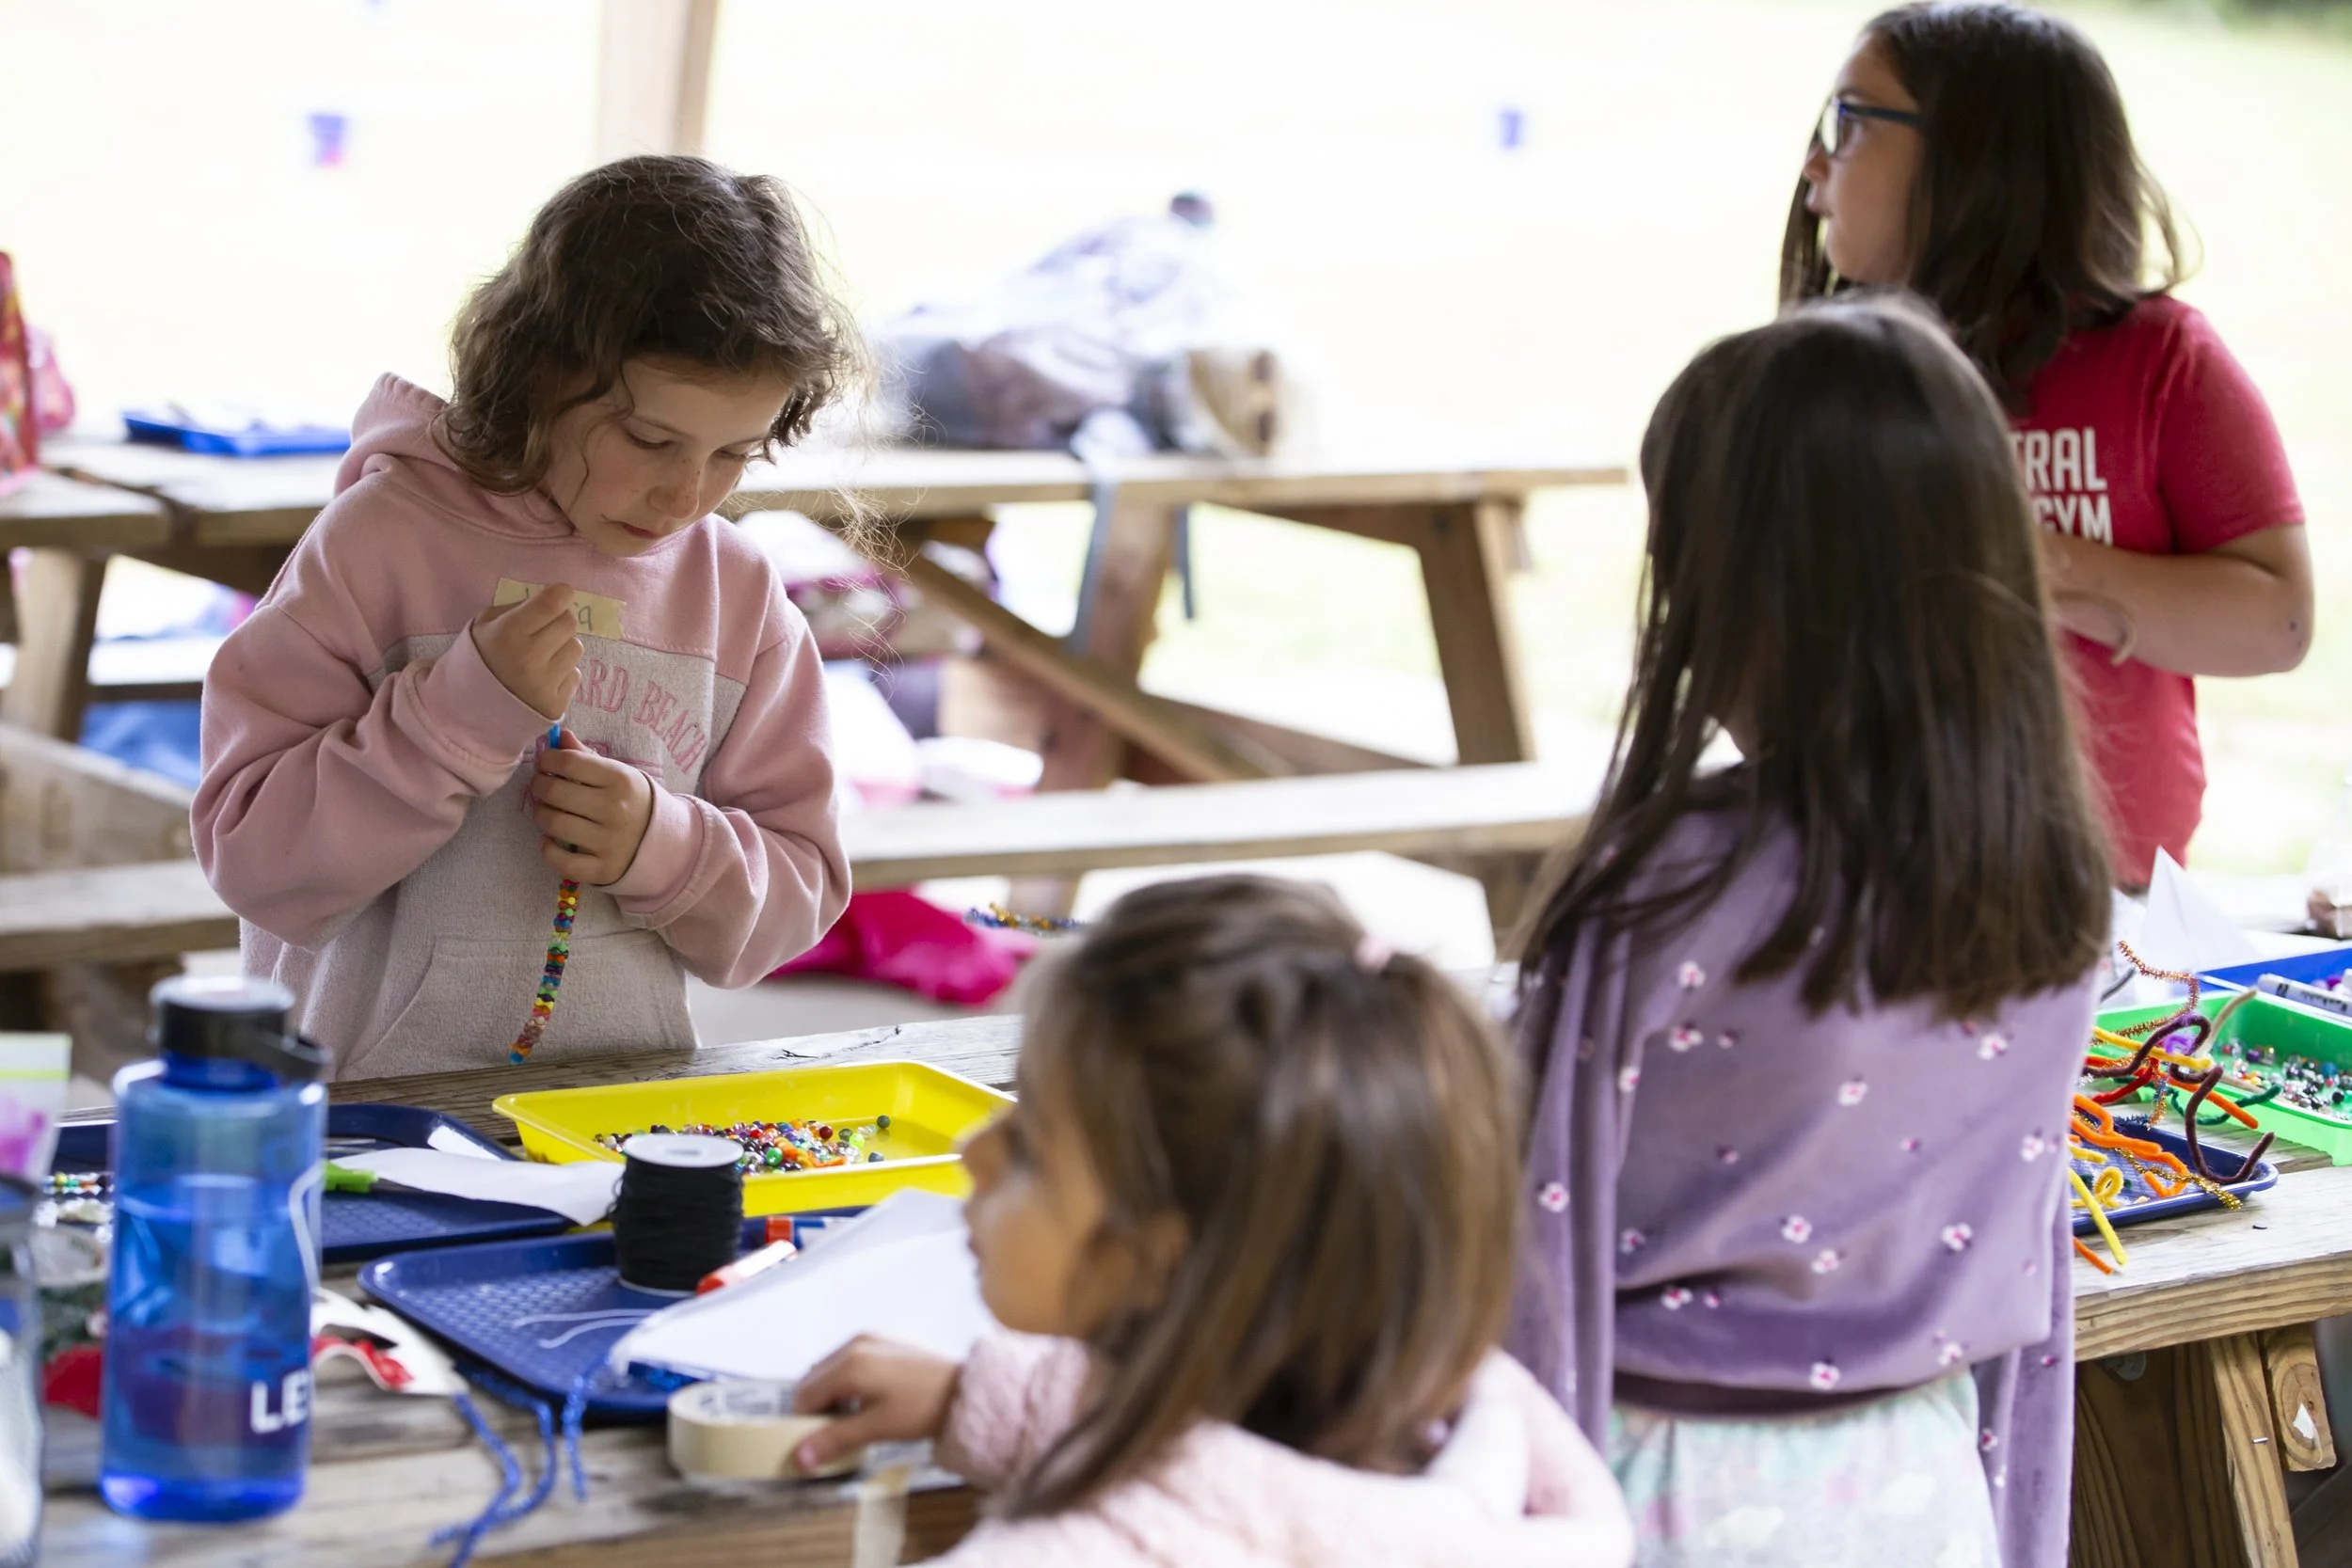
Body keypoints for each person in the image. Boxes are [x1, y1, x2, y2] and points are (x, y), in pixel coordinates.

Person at [1511, 296, 2112, 1568]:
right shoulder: (2051, 889)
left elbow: (1529, 1249)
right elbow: (2032, 1295)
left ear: (1752, 589)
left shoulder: (1658, 884)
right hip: (1924, 1480)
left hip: (1658, 1481)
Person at [193, 155, 854, 1077]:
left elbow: (797, 893)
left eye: (734, 453)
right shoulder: (380, 545)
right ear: (538, 371)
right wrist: (447, 722)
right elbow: (255, 862)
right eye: (649, 439)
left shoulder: (738, 600)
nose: (684, 494)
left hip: (610, 1120)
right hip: (368, 1120)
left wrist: (661, 842)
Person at [789, 875, 1635, 1567]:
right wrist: (995, 1402)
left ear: (1162, 1260)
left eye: (1033, 1140)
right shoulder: (1486, 1453)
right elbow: (1236, 1489)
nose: (975, 1150)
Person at [1784, 0, 2312, 890]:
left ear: (1977, 156)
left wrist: (2012, 557)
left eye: (1850, 121)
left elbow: (2278, 622)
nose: (1814, 162)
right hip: (1871, 883)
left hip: (2105, 902)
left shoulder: (2160, 362)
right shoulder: (1826, 378)